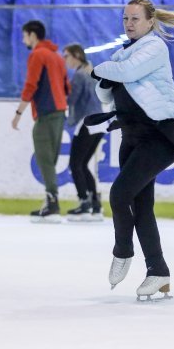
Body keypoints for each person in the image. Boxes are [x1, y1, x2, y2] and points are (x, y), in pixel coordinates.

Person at [87, 0, 174, 301]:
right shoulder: (123, 53)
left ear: (150, 22)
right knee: (141, 207)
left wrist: (103, 69)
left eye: (135, 19)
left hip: (159, 138)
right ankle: (158, 271)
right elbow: (105, 96)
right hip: (132, 137)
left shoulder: (154, 47)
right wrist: (106, 73)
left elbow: (122, 74)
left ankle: (122, 252)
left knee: (119, 194)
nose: (129, 24)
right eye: (125, 19)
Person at [11, 20, 69, 222]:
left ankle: (52, 204)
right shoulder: (57, 56)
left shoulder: (37, 55)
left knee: (44, 159)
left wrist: (18, 113)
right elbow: (66, 86)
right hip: (60, 112)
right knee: (49, 159)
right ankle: (50, 200)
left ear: (33, 35)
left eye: (24, 35)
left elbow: (30, 84)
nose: (23, 39)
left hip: (46, 113)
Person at [63, 43, 104, 222]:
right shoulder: (91, 70)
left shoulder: (79, 75)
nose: (65, 60)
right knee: (83, 164)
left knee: (75, 164)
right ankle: (95, 204)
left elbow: (72, 99)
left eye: (66, 56)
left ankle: (84, 203)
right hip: (99, 122)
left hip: (88, 122)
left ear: (76, 55)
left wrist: (62, 91)